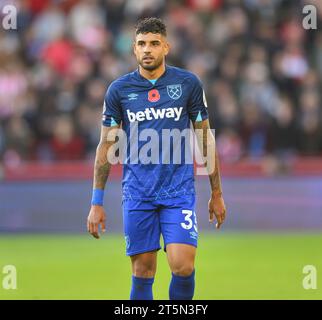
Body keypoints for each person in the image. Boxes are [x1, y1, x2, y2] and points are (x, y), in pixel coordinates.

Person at [87, 17, 226, 300]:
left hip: (179, 191)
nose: (147, 49)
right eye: (141, 44)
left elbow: (204, 139)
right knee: (142, 271)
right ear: (133, 50)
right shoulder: (119, 90)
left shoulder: (188, 84)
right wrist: (96, 202)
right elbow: (105, 147)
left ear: (166, 47)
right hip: (138, 193)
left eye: (153, 43)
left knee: (183, 265)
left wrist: (217, 192)